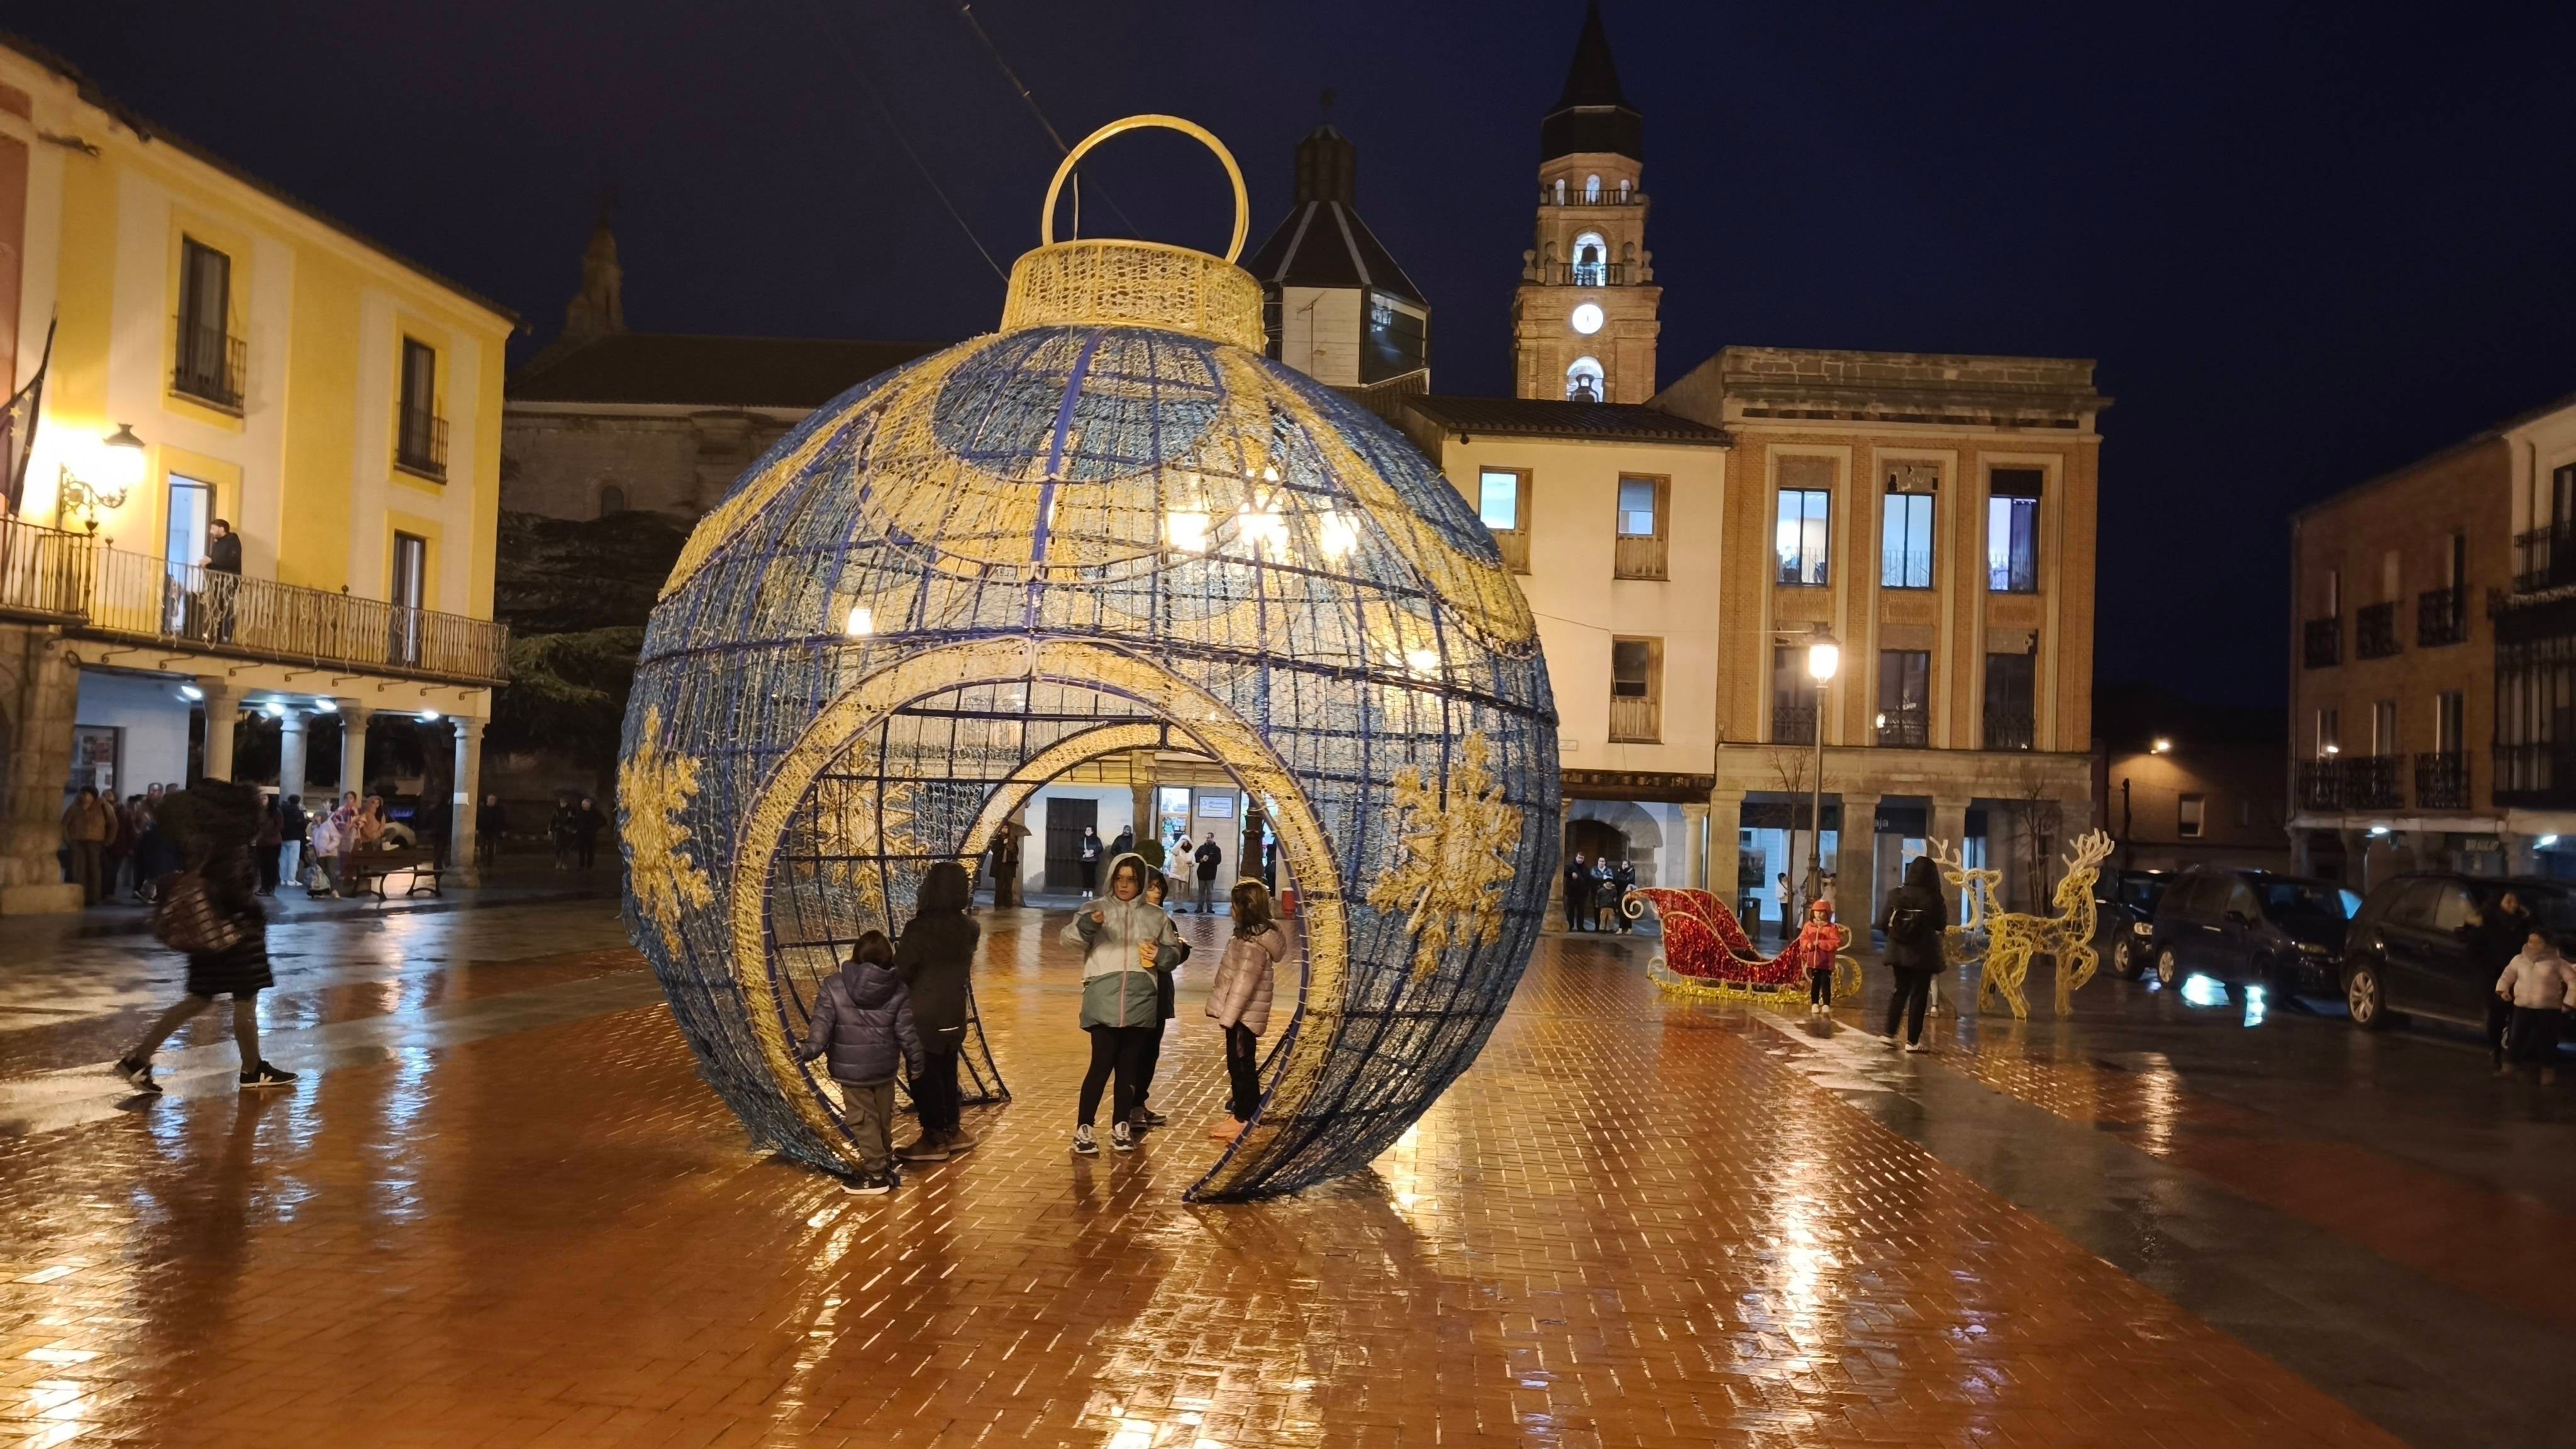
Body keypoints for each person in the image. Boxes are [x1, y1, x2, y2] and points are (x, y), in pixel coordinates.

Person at [114, 779, 297, 1094]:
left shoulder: (205, 841)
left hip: (206, 933)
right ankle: (253, 1069)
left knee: (198, 999)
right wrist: (253, 914)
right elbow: (236, 893)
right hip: (237, 935)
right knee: (245, 1000)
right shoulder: (234, 847)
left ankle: (138, 1058)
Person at [1062, 853, 1181, 1155]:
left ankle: (1121, 1126)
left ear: (1140, 883)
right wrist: (1089, 925)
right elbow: (1069, 940)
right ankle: (1084, 1128)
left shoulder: (1156, 917)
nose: (1124, 884)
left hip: (1141, 998)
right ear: (1111, 878)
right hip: (1104, 996)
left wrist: (1161, 956)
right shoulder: (1095, 909)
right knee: (1100, 1065)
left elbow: (1173, 955)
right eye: (1120, 878)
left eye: (1131, 879)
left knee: (1129, 1068)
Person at [795, 930, 924, 1195]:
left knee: (863, 1120)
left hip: (851, 1069)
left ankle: (875, 1176)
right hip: (884, 1068)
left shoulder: (834, 985)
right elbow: (908, 1033)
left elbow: (821, 1026)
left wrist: (808, 1051)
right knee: (882, 1117)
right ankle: (885, 1162)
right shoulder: (899, 988)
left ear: (856, 956)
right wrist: (917, 1063)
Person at [892, 861, 980, 1163]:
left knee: (923, 1074)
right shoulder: (969, 928)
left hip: (923, 1015)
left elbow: (902, 970)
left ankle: (933, 1138)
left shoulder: (920, 929)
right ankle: (953, 1129)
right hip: (954, 1012)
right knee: (947, 1070)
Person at [1207, 879, 1288, 1141]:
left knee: (1242, 1066)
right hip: (1242, 1016)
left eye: (1234, 905)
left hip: (1243, 1017)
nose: (1231, 910)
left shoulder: (1252, 945)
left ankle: (1245, 1118)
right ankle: (1242, 1114)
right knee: (1240, 1065)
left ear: (1245, 908)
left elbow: (1243, 984)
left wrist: (1228, 1018)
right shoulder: (1247, 937)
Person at [1134, 870, 1191, 1126]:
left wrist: (1180, 949)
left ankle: (1138, 1105)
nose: (1156, 892)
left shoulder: (1167, 921)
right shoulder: (1131, 921)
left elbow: (1171, 961)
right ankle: (1129, 1109)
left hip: (1160, 996)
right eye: (1151, 888)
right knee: (1134, 1054)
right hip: (1137, 997)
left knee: (1150, 1054)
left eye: (1160, 888)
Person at [1877, 855, 1950, 1051]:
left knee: (1900, 990)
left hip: (1898, 953)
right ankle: (1913, 1041)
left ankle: (1889, 1034)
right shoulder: (1933, 898)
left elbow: (1882, 923)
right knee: (1919, 995)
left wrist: (1897, 938)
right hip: (1922, 954)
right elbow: (1941, 924)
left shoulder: (1895, 895)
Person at [2493, 931, 2572, 1085]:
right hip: (2523, 1006)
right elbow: (2508, 975)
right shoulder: (2519, 960)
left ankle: (2547, 1072)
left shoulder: (2557, 962)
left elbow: (2573, 981)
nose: (2533, 945)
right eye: (2531, 941)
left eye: (2538, 942)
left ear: (2547, 944)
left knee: (2547, 1041)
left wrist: (2568, 1003)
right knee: (2516, 1038)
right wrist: (2503, 990)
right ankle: (2509, 1067)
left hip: (2548, 1009)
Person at [2470, 890, 2533, 1073]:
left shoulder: (2522, 924)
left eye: (2516, 901)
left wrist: (2528, 915)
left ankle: (2512, 1058)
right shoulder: (2488, 924)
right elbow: (2474, 951)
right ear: (2499, 903)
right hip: (2496, 980)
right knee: (2497, 1019)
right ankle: (2495, 1050)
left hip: (2520, 980)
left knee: (2519, 1019)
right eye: (2509, 901)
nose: (2513, 905)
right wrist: (2490, 969)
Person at [61, 786, 114, 906]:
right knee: (77, 870)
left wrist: (108, 840)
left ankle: (93, 897)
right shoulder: (74, 808)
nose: (83, 796)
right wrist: (68, 841)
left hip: (95, 843)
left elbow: (113, 824)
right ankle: (77, 896)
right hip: (77, 842)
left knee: (94, 871)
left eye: (86, 794)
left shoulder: (104, 807)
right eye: (82, 793)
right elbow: (64, 825)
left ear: (93, 796)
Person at [1791, 899, 1840, 1016]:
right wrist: (1808, 944)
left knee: (1825, 982)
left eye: (1821, 911)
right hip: (1814, 961)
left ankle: (1826, 1004)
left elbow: (1836, 942)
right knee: (1815, 982)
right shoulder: (1808, 926)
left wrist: (1822, 944)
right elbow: (1803, 938)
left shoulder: (1831, 928)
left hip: (1826, 962)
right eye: (1816, 911)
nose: (1818, 914)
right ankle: (1814, 1003)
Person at [201, 518, 242, 641]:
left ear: (222, 529)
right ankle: (214, 636)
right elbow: (218, 563)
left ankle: (226, 637)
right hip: (217, 583)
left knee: (227, 610)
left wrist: (212, 561)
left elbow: (233, 561)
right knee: (216, 609)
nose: (211, 531)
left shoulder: (233, 540)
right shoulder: (217, 544)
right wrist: (207, 565)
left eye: (213, 528)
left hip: (229, 583)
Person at [308, 802, 345, 896]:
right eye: (316, 816)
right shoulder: (316, 828)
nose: (316, 818)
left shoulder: (329, 825)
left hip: (330, 854)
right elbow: (316, 839)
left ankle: (334, 891)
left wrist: (328, 848)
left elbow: (336, 839)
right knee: (321, 873)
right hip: (320, 854)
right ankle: (323, 890)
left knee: (331, 873)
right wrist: (312, 844)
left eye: (318, 816)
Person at [253, 796, 283, 896]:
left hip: (273, 843)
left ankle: (270, 887)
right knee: (263, 866)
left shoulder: (276, 812)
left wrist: (268, 834)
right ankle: (264, 887)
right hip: (262, 843)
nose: (263, 800)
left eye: (265, 798)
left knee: (271, 866)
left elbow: (280, 826)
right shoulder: (260, 812)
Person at [279, 794, 307, 892]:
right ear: (298, 802)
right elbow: (303, 825)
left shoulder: (282, 810)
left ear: (289, 800)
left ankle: (283, 879)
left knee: (283, 859)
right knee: (293, 859)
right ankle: (291, 879)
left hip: (283, 837)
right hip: (295, 838)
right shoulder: (298, 812)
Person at [1193, 833, 1223, 914]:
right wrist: (1201, 860)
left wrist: (1209, 859)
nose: (1208, 839)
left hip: (1211, 874)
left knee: (1210, 892)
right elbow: (1195, 857)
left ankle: (1210, 908)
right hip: (1201, 873)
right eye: (1207, 838)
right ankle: (1199, 908)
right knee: (1201, 892)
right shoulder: (1201, 848)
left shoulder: (1217, 849)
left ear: (1213, 838)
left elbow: (1218, 861)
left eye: (1209, 838)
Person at [573, 795, 606, 869]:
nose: (582, 806)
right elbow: (575, 821)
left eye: (584, 804)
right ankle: (581, 865)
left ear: (589, 805)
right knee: (581, 850)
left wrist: (596, 827)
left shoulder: (595, 812)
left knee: (591, 850)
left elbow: (604, 821)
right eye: (582, 804)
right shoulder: (580, 812)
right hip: (581, 834)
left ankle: (589, 865)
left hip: (591, 834)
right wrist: (576, 828)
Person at [475, 794, 506, 869]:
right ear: (487, 800)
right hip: (483, 830)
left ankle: (490, 861)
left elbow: (502, 820)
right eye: (490, 799)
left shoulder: (499, 810)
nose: (492, 801)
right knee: (482, 846)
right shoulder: (482, 809)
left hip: (493, 831)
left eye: (493, 800)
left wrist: (503, 830)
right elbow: (478, 819)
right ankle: (483, 859)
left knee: (491, 847)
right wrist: (477, 828)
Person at [1563, 852, 1592, 932]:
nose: (1580, 859)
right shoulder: (1570, 867)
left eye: (1582, 858)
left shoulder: (1586, 869)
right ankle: (1570, 926)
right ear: (1576, 858)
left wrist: (1586, 891)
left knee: (1581, 912)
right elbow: (1564, 872)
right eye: (1579, 857)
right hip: (1572, 893)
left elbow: (1588, 881)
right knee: (1570, 911)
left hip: (1582, 895)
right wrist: (1571, 874)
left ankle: (1580, 927)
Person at [1609, 856, 1638, 934]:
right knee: (1622, 912)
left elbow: (1627, 881)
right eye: (1623, 864)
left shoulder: (1632, 872)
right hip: (1621, 895)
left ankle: (1629, 929)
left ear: (1628, 865)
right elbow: (1616, 881)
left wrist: (1619, 878)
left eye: (1625, 864)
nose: (1623, 866)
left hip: (1629, 895)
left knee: (1628, 912)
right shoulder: (1619, 872)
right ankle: (1621, 929)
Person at [550, 797, 576, 869]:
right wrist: (550, 830)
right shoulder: (557, 810)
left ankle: (565, 863)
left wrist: (573, 827)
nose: (562, 804)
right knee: (558, 848)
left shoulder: (571, 810)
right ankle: (558, 861)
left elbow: (573, 821)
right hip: (559, 831)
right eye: (561, 802)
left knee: (566, 848)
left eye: (563, 803)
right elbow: (553, 820)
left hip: (567, 832)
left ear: (566, 803)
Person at [1078, 826, 1102, 894]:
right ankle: (1085, 890)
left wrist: (1093, 851)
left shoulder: (1097, 840)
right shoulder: (1082, 839)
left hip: (1093, 860)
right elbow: (1078, 847)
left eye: (1089, 830)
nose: (1087, 831)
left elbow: (1100, 848)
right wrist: (1084, 851)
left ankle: (1091, 890)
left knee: (1092, 875)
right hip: (1084, 860)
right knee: (1085, 875)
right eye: (1086, 830)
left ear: (1092, 831)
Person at [1774, 872, 1794, 943]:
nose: (1786, 877)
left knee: (1788, 919)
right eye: (1785, 876)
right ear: (1782, 878)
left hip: (1789, 903)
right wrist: (1784, 894)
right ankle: (1783, 935)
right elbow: (1777, 896)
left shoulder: (1788, 884)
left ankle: (1787, 934)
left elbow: (1793, 890)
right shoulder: (1778, 885)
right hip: (1783, 903)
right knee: (1785, 919)